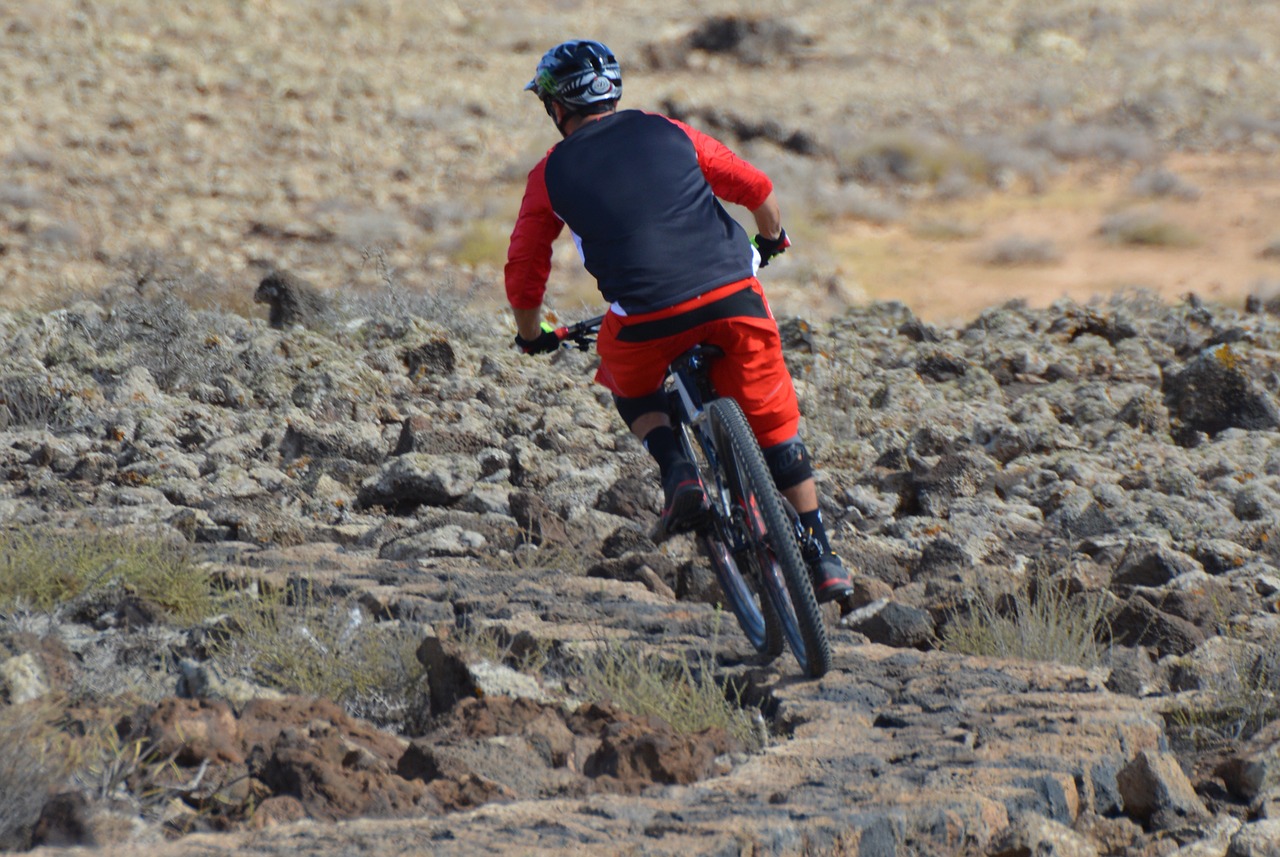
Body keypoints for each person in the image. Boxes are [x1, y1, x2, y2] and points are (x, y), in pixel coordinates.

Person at [503, 39, 853, 606]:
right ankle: (822, 554)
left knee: (629, 383)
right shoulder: (671, 131)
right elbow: (756, 188)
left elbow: (524, 269)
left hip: (645, 318)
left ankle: (678, 473)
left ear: (555, 107)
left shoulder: (549, 174)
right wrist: (772, 238)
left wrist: (532, 334)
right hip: (734, 299)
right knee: (776, 423)